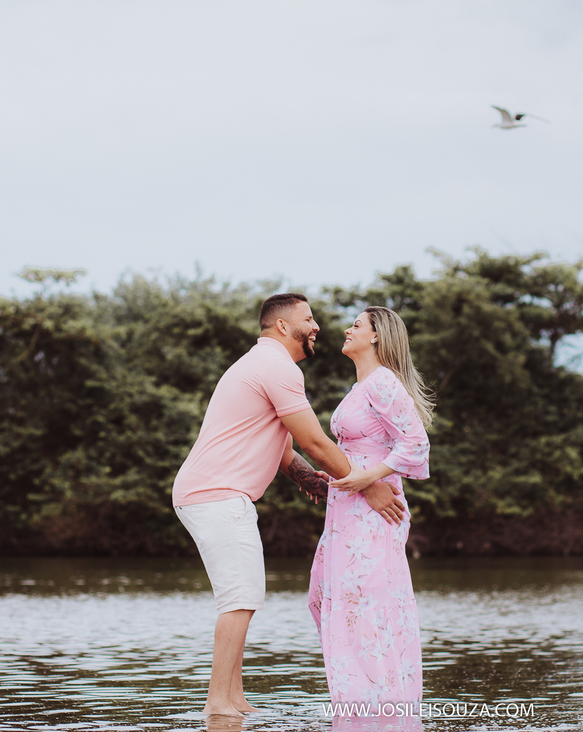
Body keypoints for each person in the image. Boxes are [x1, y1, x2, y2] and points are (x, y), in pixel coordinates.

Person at [172, 293, 407, 718]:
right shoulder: (277, 367)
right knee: (240, 599)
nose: (317, 326)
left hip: (215, 494)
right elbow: (315, 442)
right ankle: (218, 705)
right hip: (217, 494)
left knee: (243, 597)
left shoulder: (262, 364)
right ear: (283, 326)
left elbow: (284, 448)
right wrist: (365, 486)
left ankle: (235, 702)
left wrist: (307, 480)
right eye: (309, 318)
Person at [309, 306, 433, 715]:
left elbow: (416, 443)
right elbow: (353, 449)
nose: (347, 330)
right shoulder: (359, 387)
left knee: (364, 601)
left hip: (374, 512)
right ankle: (358, 700)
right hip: (345, 509)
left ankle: (379, 705)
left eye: (357, 325)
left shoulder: (382, 382)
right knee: (326, 596)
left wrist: (368, 478)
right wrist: (335, 477)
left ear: (377, 336)